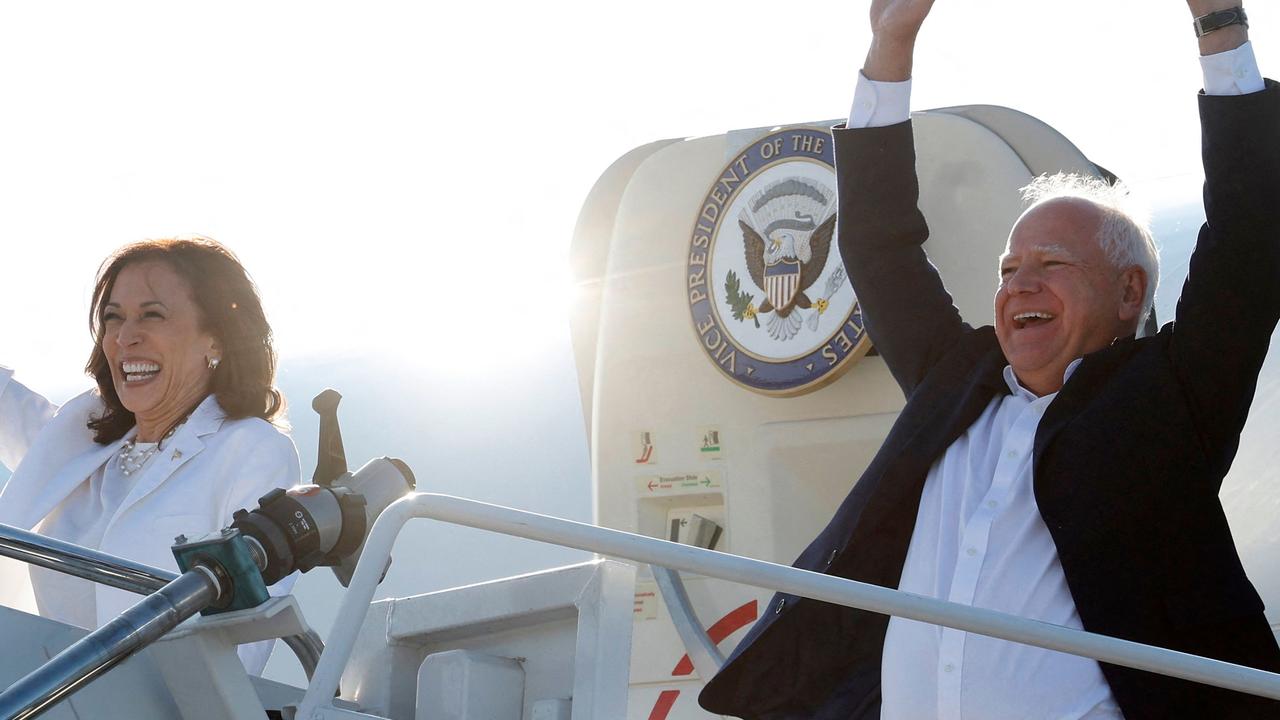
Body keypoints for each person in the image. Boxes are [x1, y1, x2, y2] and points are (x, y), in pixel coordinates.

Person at [700, 1, 1280, 718]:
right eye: (1008, 270)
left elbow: (1251, 234)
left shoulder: (1169, 400)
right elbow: (879, 247)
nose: (1020, 286)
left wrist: (1220, 22)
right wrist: (891, 42)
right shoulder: (955, 380)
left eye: (1052, 263)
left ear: (1129, 291)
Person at [0, 237, 300, 675]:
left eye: (152, 315)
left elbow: (240, 650)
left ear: (215, 339)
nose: (125, 337)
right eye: (113, 317)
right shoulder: (81, 432)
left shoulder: (253, 450)